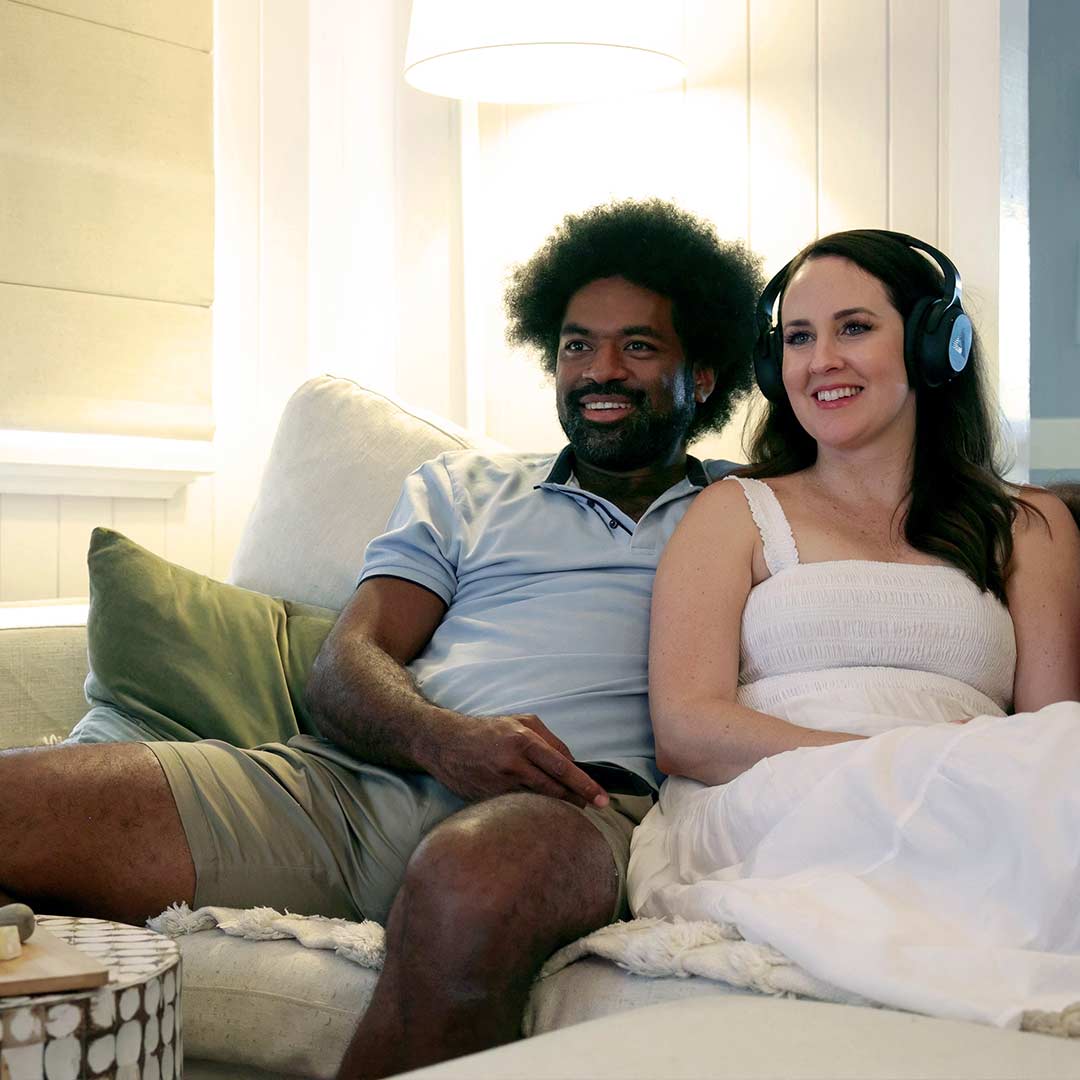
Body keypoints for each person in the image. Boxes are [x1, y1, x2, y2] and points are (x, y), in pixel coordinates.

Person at [0, 198, 763, 1078]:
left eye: (638, 346)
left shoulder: (748, 510)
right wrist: (444, 737)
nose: (599, 370)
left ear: (701, 376)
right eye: (576, 345)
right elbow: (344, 666)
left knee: (472, 878)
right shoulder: (463, 488)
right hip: (359, 786)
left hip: (573, 806)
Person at [627, 229, 1080, 1029]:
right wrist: (890, 767)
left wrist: (941, 781)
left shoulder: (1028, 523)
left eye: (855, 327)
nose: (819, 360)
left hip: (969, 801)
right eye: (797, 338)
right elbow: (688, 729)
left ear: (938, 347)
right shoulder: (734, 511)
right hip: (779, 797)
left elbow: (1050, 732)